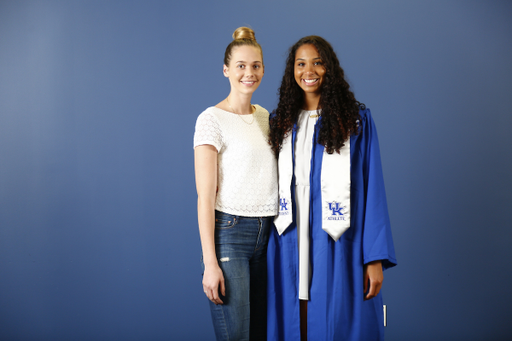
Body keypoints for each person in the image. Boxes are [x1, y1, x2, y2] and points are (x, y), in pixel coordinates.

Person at [267, 36, 397, 341]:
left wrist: (374, 258)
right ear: (292, 71)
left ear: (329, 69)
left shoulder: (355, 122)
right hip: (287, 240)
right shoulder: (279, 124)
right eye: (301, 63)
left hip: (340, 243)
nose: (308, 70)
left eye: (317, 62)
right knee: (292, 316)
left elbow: (373, 188)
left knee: (339, 320)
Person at [193, 27, 277, 341]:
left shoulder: (266, 117)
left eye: (255, 66)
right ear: (226, 70)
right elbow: (204, 196)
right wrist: (209, 263)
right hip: (230, 233)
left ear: (263, 70)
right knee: (237, 335)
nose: (249, 73)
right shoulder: (211, 119)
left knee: (261, 334)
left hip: (268, 235)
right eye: (241, 66)